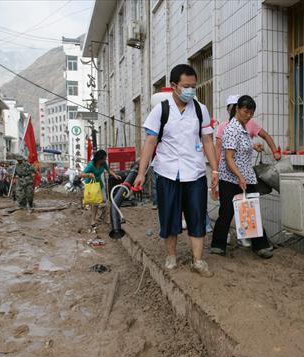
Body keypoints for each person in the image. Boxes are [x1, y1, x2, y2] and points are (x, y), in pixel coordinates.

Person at [134, 64, 219, 277]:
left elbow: (207, 141)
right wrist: (141, 172)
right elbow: (150, 142)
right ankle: (171, 256)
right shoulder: (161, 109)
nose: (191, 90)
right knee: (169, 215)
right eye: (186, 86)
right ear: (174, 86)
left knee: (197, 216)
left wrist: (215, 171)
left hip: (195, 173)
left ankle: (198, 261)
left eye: (193, 86)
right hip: (167, 171)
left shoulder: (200, 109)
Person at [210, 95, 273, 259]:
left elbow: (241, 149)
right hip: (230, 177)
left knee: (251, 209)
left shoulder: (243, 128)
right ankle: (218, 244)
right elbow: (229, 157)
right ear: (237, 109)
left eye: (251, 112)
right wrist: (239, 176)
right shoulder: (231, 129)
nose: (249, 115)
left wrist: (253, 146)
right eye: (246, 111)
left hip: (246, 176)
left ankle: (260, 245)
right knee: (227, 211)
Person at [81, 149, 121, 229]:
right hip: (91, 185)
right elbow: (81, 174)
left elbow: (108, 170)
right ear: (98, 159)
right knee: (95, 202)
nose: (104, 160)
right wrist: (89, 174)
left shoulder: (103, 164)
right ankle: (93, 220)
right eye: (103, 159)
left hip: (99, 184)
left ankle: (102, 216)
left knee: (104, 200)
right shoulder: (91, 165)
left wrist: (115, 175)